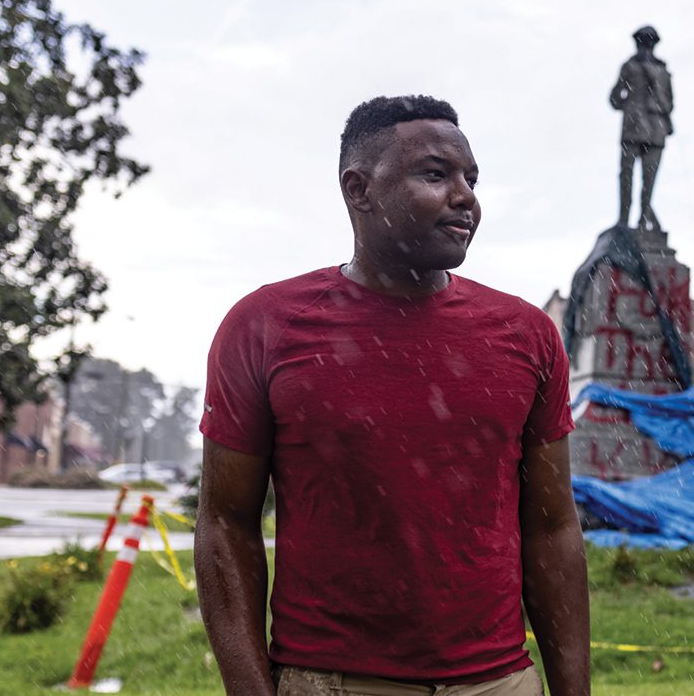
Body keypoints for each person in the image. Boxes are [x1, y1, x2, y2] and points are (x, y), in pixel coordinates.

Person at [195, 95, 590, 696]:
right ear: (359, 190)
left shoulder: (527, 335)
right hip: (331, 683)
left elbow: (553, 527)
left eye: (471, 179)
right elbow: (226, 522)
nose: (466, 198)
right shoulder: (265, 328)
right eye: (436, 175)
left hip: (499, 683)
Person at [610, 25, 673, 231]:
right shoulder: (662, 71)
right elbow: (670, 104)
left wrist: (628, 104)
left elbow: (614, 98)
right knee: (649, 178)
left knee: (628, 174)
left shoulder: (630, 66)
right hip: (656, 128)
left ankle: (624, 219)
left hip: (634, 126)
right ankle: (642, 219)